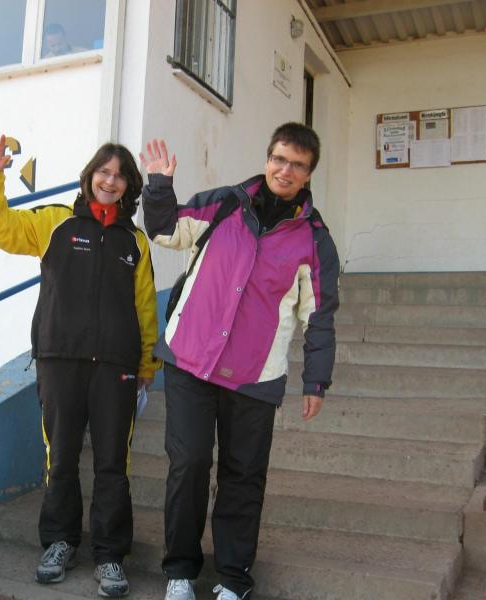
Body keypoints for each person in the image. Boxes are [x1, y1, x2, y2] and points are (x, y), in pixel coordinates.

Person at [139, 123, 339, 600]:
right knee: (189, 464)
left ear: (309, 174)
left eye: (298, 165)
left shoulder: (314, 241)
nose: (285, 170)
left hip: (254, 376)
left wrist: (316, 381)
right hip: (190, 360)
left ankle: (233, 578)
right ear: (267, 158)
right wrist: (159, 186)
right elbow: (165, 230)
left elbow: (319, 316)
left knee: (243, 477)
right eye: (280, 159)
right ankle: (180, 572)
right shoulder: (225, 204)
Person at [0, 134, 160, 598]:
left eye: (120, 176)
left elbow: (144, 306)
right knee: (61, 457)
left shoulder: (135, 242)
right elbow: (0, 227)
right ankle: (60, 542)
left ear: (129, 186)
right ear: (90, 175)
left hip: (116, 365)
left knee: (113, 463)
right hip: (59, 359)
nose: (110, 181)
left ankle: (111, 555)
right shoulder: (55, 222)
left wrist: (147, 363)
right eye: (104, 172)